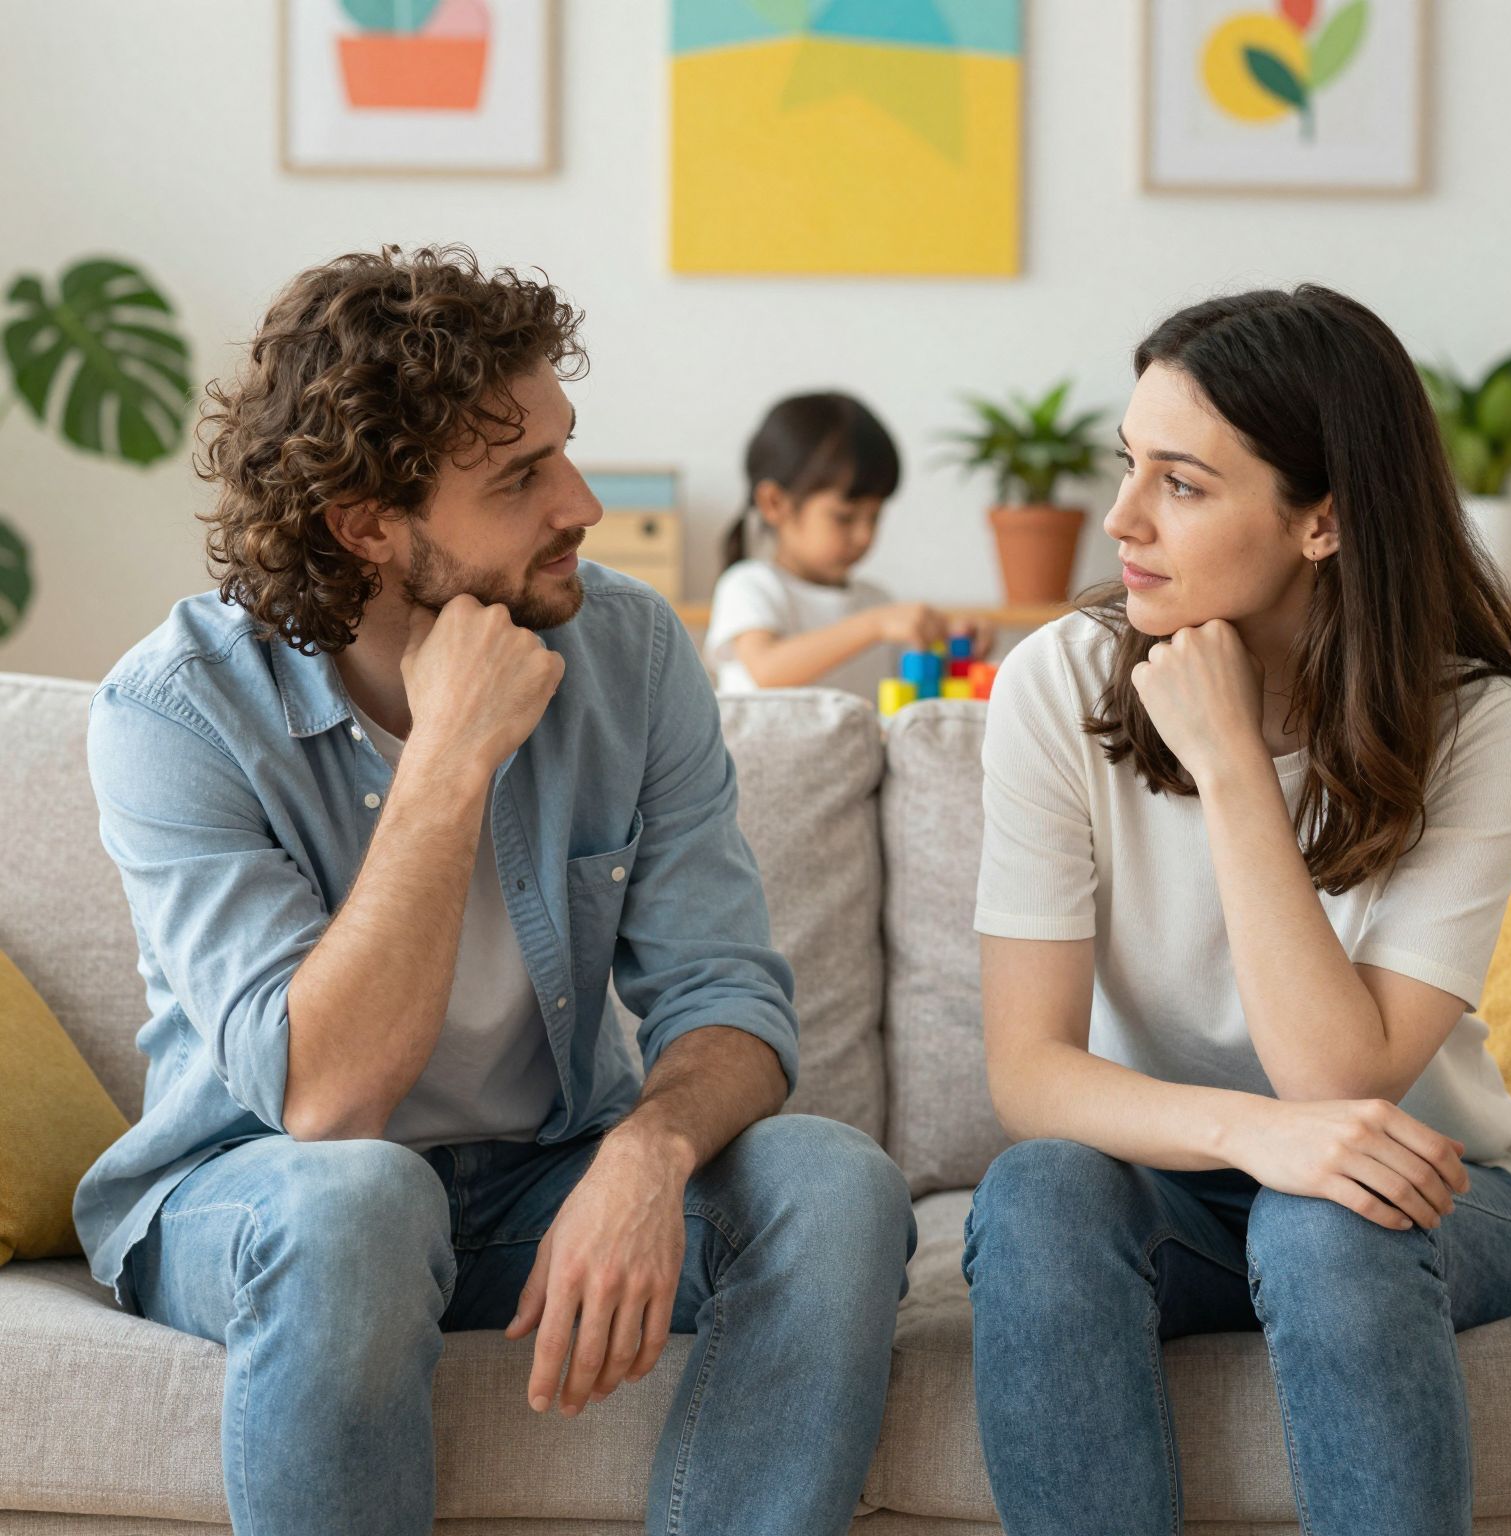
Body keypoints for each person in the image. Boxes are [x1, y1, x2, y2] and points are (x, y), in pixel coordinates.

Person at [73, 246, 914, 1536]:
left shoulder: (629, 652)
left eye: (563, 450)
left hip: (538, 1175)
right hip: (263, 1190)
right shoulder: (174, 712)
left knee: (835, 1185)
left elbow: (730, 1000)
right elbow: (326, 1100)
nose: (580, 503)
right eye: (520, 478)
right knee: (365, 1197)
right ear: (366, 522)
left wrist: (646, 1152)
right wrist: (449, 757)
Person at [963, 284, 1511, 1536]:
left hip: (1439, 1188)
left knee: (1322, 1224)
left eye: (1180, 485)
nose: (1121, 520)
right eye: (1127, 466)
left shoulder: (1484, 723)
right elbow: (1030, 1074)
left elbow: (1335, 1083)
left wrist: (1233, 764)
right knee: (1037, 1193)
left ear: (1324, 518)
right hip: (1183, 1179)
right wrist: (1247, 1138)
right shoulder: (1054, 684)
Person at [705, 391, 989, 697]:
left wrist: (960, 648)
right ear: (774, 503)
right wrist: (873, 625)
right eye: (845, 517)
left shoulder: (875, 601)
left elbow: (920, 687)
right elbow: (767, 671)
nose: (865, 535)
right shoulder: (750, 586)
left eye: (875, 517)